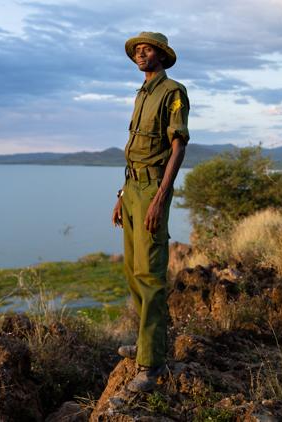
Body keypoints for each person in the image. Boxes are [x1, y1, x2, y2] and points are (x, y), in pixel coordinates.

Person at [111, 31, 189, 393]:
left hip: (153, 190)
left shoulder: (172, 91)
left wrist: (160, 197)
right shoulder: (142, 94)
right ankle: (147, 344)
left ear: (161, 55)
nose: (141, 54)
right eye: (137, 51)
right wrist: (122, 194)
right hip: (133, 190)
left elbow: (177, 147)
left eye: (148, 49)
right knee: (132, 272)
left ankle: (151, 364)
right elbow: (134, 150)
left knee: (151, 274)